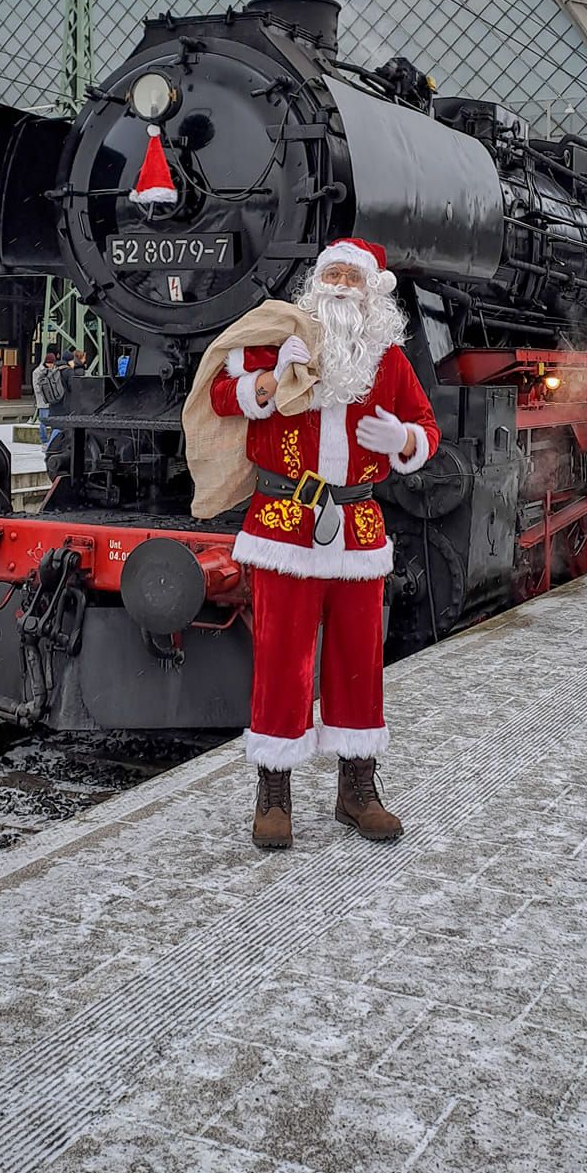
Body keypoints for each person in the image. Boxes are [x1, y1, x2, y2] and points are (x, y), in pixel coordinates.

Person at [206, 237, 439, 851]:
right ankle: (274, 791)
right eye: (330, 274)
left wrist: (402, 438)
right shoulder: (282, 339)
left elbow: (429, 430)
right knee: (282, 658)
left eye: (350, 277)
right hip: (285, 520)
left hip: (358, 530)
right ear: (317, 284)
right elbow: (219, 394)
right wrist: (264, 386)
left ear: (371, 293)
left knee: (359, 662)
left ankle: (356, 789)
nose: (339, 285)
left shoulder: (389, 361)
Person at [31, 347, 64, 447]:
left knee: (53, 420)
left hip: (53, 399)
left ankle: (51, 440)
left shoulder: (53, 369)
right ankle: (44, 440)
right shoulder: (37, 372)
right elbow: (36, 387)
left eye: (52, 363)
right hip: (43, 400)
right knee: (44, 421)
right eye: (49, 363)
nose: (51, 365)